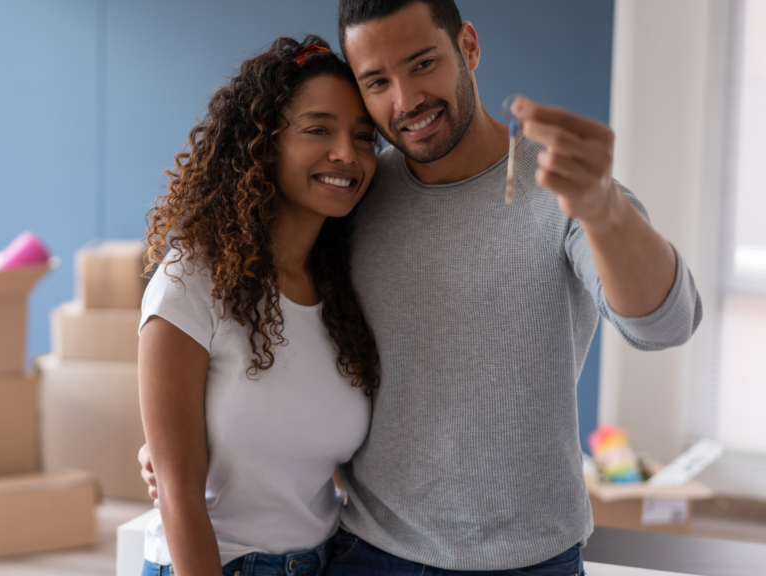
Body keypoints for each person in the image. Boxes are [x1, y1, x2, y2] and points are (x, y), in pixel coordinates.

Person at [141, 1, 702, 575]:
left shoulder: (567, 193)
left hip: (533, 561)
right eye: (377, 81)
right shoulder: (353, 195)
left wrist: (604, 211)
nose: (405, 100)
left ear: (469, 46)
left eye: (423, 63)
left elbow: (664, 326)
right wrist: (186, 448)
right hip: (371, 556)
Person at [137, 36, 381, 576]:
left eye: (363, 137)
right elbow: (178, 496)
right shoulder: (190, 281)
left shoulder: (343, 291)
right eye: (318, 129)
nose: (346, 152)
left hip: (326, 562)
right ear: (262, 143)